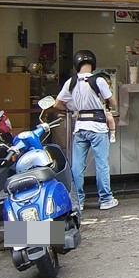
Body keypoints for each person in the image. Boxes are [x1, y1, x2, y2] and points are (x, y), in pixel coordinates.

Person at [54, 49, 117, 211]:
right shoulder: (99, 81)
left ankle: (78, 201)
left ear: (76, 64)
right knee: (102, 164)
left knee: (77, 166)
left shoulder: (71, 82)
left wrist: (73, 108)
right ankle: (105, 199)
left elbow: (57, 104)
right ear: (93, 64)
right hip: (97, 127)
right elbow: (113, 102)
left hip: (80, 126)